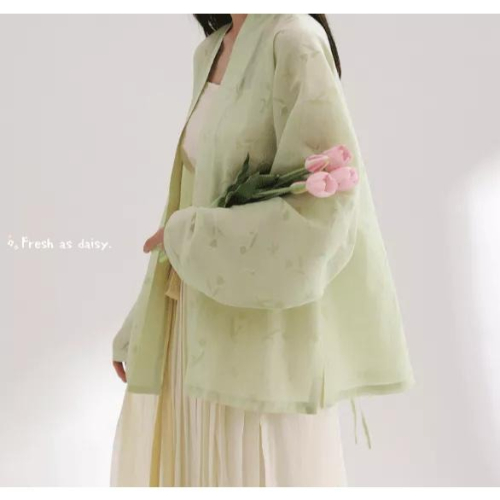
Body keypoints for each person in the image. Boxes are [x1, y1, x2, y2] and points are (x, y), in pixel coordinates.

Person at [110, 13, 415, 487]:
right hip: (190, 330)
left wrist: (188, 234)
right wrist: (143, 321)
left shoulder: (294, 40)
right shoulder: (212, 50)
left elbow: (322, 213)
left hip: (260, 348)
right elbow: (187, 204)